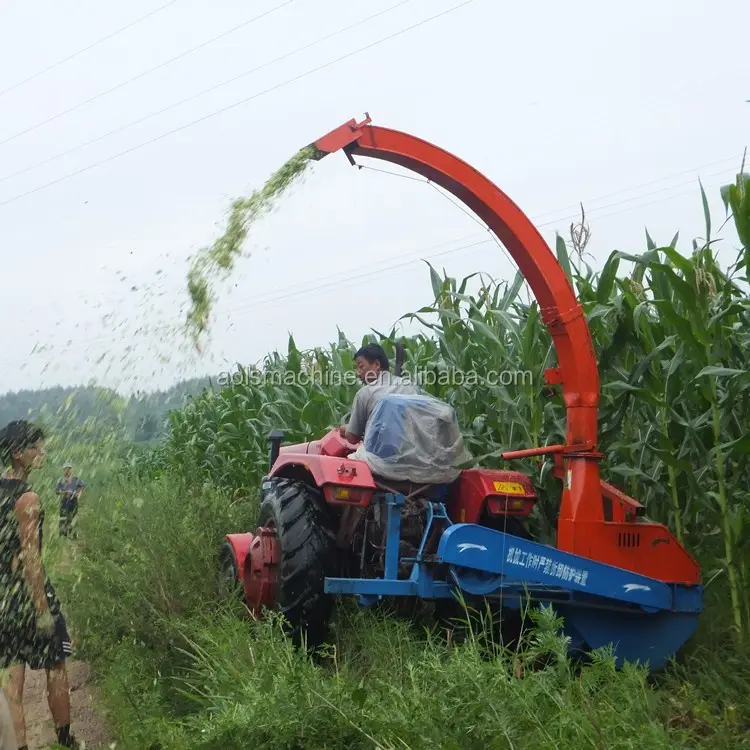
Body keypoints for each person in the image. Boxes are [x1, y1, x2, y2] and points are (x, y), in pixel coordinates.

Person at [0, 420, 79, 749]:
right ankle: (65, 740)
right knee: (56, 665)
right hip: (30, 596)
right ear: (18, 453)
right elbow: (31, 560)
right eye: (35, 447)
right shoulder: (28, 499)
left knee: (11, 686)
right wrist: (42, 610)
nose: (41, 452)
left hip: (3, 598)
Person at [339, 343, 422, 444]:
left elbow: (352, 438)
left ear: (377, 365)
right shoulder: (411, 386)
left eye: (361, 366)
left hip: (379, 458)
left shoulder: (365, 393)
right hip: (415, 452)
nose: (358, 373)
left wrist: (348, 429)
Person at [56, 463, 85, 538]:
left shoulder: (76, 479)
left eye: (69, 469)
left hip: (73, 501)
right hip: (64, 501)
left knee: (73, 517)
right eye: (66, 469)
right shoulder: (60, 480)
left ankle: (74, 534)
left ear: (71, 470)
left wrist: (78, 495)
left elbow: (82, 486)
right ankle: (63, 535)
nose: (67, 471)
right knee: (63, 517)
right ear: (63, 470)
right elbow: (57, 491)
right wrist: (64, 492)